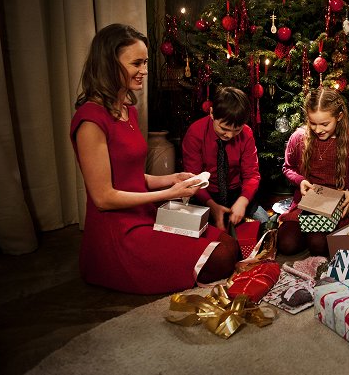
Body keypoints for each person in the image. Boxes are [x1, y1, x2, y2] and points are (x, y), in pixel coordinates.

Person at [70, 24, 239, 295]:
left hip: (146, 216)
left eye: (146, 62)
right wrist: (170, 193)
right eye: (136, 62)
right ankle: (110, 267)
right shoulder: (91, 121)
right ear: (109, 65)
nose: (145, 70)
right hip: (119, 235)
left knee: (226, 243)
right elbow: (104, 198)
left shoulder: (128, 111)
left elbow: (132, 177)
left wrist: (170, 179)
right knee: (220, 257)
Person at [278, 87, 349, 256]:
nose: (318, 129)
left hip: (338, 205)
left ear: (339, 117)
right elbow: (288, 167)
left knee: (318, 245)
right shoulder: (299, 138)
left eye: (324, 124)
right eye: (312, 123)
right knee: (286, 244)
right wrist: (300, 181)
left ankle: (316, 238)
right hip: (306, 205)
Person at [182, 86, 262, 231]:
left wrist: (242, 202)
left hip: (237, 193)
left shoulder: (247, 134)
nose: (229, 135)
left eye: (236, 130)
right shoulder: (195, 133)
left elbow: (252, 175)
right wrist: (212, 206)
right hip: (204, 194)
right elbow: (192, 179)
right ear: (212, 113)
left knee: (262, 222)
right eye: (224, 129)